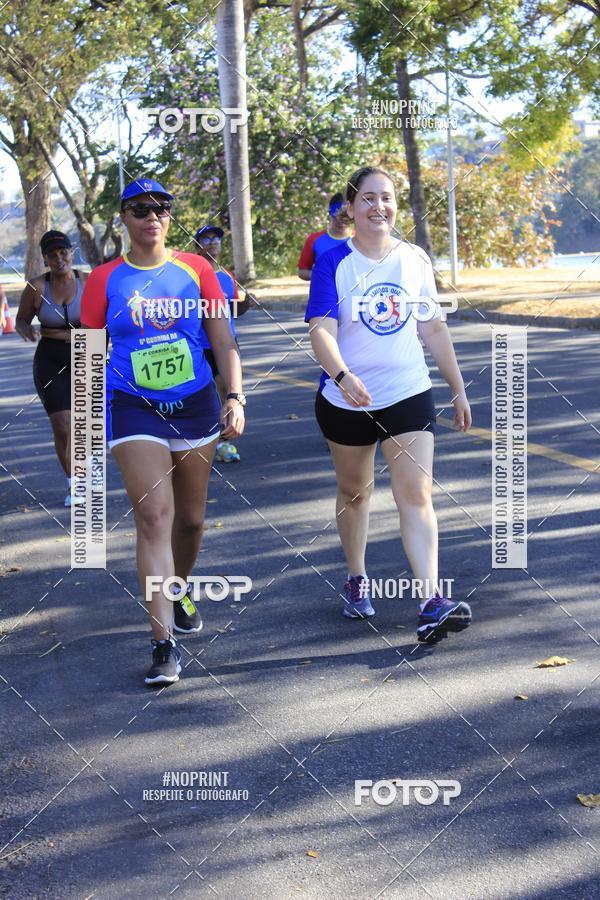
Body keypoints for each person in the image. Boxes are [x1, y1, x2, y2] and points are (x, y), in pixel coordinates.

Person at [81, 178, 245, 685]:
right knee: (154, 517)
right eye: (139, 209)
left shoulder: (198, 271)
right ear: (124, 219)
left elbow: (222, 340)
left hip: (195, 404)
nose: (151, 216)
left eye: (160, 208)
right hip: (132, 407)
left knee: (190, 522)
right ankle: (163, 643)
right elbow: (87, 354)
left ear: (170, 217)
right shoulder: (103, 280)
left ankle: (179, 588)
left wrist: (234, 397)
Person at [305, 166, 473, 643]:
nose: (379, 206)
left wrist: (457, 388)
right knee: (355, 492)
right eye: (368, 199)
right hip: (346, 399)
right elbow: (321, 329)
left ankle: (430, 600)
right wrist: (343, 375)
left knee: (416, 494)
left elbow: (434, 328)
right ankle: (357, 576)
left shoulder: (414, 259)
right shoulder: (334, 262)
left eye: (387, 198)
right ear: (350, 208)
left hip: (407, 393)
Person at [15, 231, 88, 507]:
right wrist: (25, 330)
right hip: (50, 358)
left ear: (72, 252)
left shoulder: (88, 281)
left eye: (64, 252)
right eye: (53, 255)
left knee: (84, 427)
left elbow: (107, 316)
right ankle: (74, 484)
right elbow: (22, 319)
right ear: (45, 259)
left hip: (86, 355)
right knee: (62, 425)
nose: (60, 259)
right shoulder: (36, 287)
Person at [194, 224, 254, 462]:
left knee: (228, 390)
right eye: (206, 239)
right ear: (198, 245)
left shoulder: (226, 275)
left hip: (227, 342)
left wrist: (246, 305)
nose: (212, 242)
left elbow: (229, 311)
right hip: (200, 343)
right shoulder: (192, 273)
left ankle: (223, 441)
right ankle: (204, 439)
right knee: (205, 392)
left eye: (216, 239)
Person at [297, 193, 352, 281]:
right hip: (324, 292)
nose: (341, 222)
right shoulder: (314, 239)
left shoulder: (360, 239)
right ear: (330, 214)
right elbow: (302, 272)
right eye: (336, 218)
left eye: (345, 219)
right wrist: (322, 275)